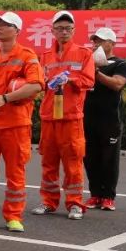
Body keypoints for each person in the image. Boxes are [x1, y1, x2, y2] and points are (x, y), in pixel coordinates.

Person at [0, 12, 44, 232]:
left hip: (16, 124)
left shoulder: (27, 55)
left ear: (17, 30)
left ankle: (14, 216)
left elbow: (36, 85)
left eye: (5, 25)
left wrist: (5, 98)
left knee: (15, 172)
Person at [34, 11, 96, 220]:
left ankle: (75, 203)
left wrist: (70, 80)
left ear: (74, 30)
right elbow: (38, 83)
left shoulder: (84, 53)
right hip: (49, 116)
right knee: (48, 162)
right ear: (52, 31)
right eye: (59, 28)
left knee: (73, 162)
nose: (64, 32)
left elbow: (89, 81)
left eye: (68, 28)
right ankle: (48, 202)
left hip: (71, 117)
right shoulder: (45, 56)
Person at [84, 27, 126, 210]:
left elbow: (117, 84)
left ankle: (108, 196)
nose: (96, 44)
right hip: (88, 118)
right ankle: (95, 195)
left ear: (111, 43)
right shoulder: (88, 62)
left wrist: (96, 73)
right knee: (90, 158)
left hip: (110, 120)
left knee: (109, 159)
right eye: (94, 41)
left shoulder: (120, 64)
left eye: (100, 41)